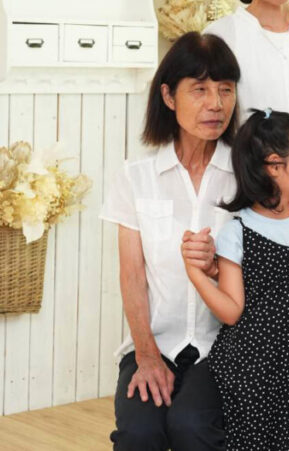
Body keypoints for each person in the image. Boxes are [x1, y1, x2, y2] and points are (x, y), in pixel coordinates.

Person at [101, 31, 241, 451]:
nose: (215, 104)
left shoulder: (247, 176)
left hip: (224, 348)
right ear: (168, 96)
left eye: (225, 89)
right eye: (199, 90)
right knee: (139, 433)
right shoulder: (135, 177)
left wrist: (218, 267)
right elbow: (132, 275)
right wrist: (145, 355)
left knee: (191, 428)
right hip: (154, 344)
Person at [184, 108, 289, 450]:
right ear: (275, 166)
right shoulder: (237, 231)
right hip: (252, 372)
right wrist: (196, 274)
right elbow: (231, 312)